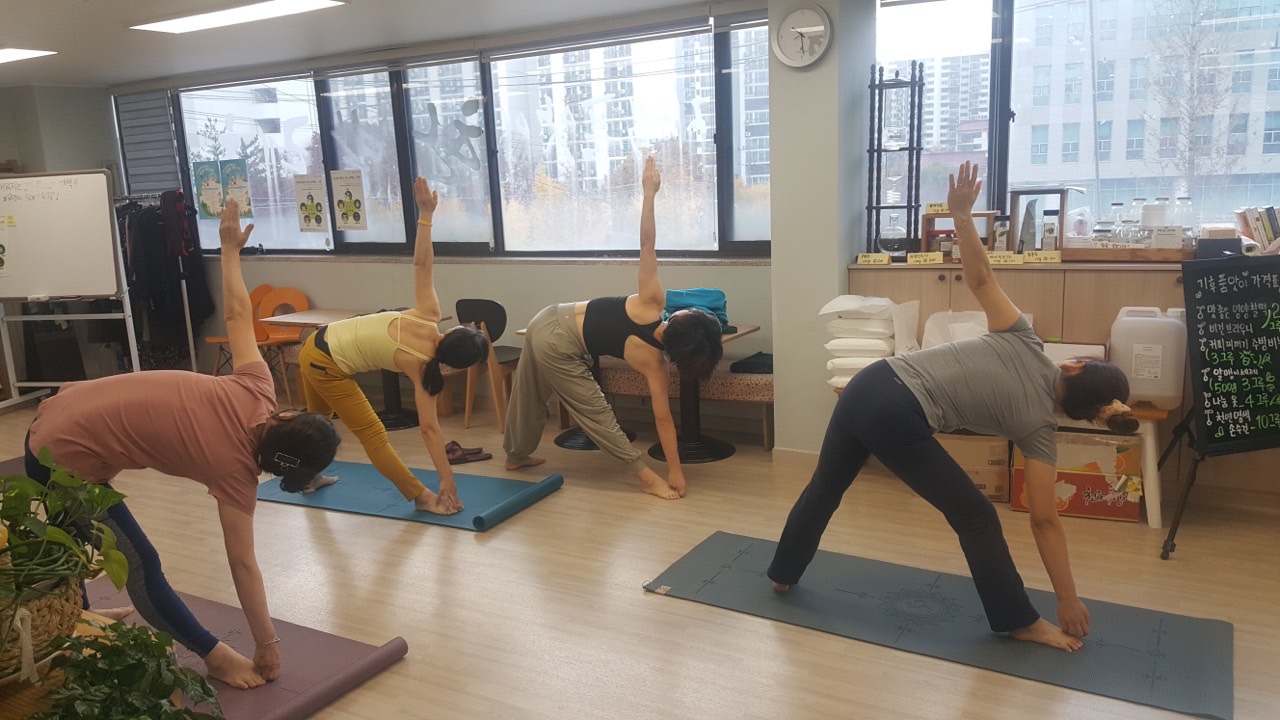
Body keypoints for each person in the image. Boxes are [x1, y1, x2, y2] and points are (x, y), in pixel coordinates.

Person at [767, 162, 1138, 652]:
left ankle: (783, 574)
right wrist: (1067, 599)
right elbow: (1045, 521)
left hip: (869, 382)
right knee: (977, 516)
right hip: (895, 411)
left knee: (825, 488)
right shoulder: (1040, 431)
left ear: (1072, 366)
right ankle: (1018, 620)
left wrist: (961, 215)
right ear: (1086, 414)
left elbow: (980, 280)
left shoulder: (1024, 338)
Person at [24, 198, 341, 688]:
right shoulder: (236, 474)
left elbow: (237, 314)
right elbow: (242, 563)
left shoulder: (257, 389)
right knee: (140, 564)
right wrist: (266, 642)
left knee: (75, 535)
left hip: (64, 412)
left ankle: (78, 616)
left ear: (287, 416)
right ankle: (213, 656)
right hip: (60, 454)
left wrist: (229, 250)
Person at [503, 157, 724, 500]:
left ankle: (516, 456)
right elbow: (664, 420)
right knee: (597, 413)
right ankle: (645, 477)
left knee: (530, 392)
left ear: (680, 319)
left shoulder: (652, 301)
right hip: (556, 339)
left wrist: (649, 194)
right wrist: (674, 470)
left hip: (547, 318)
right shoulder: (655, 364)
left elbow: (647, 245)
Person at [297, 177, 489, 515]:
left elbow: (422, 264)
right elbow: (430, 429)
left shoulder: (428, 316)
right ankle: (421, 498)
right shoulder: (424, 369)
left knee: (318, 423)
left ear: (450, 333)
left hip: (317, 345)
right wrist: (446, 479)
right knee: (372, 435)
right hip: (324, 361)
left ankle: (306, 476)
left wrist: (426, 216)